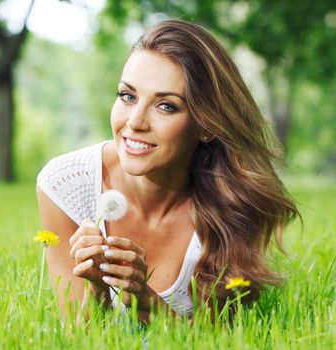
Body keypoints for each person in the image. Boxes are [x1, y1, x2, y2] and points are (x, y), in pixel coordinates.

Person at [35, 19, 299, 322]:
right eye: (128, 96)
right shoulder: (65, 186)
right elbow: (77, 339)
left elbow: (221, 341)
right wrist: (96, 288)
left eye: (166, 106)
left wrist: (147, 301)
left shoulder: (234, 204)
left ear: (206, 126)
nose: (135, 122)